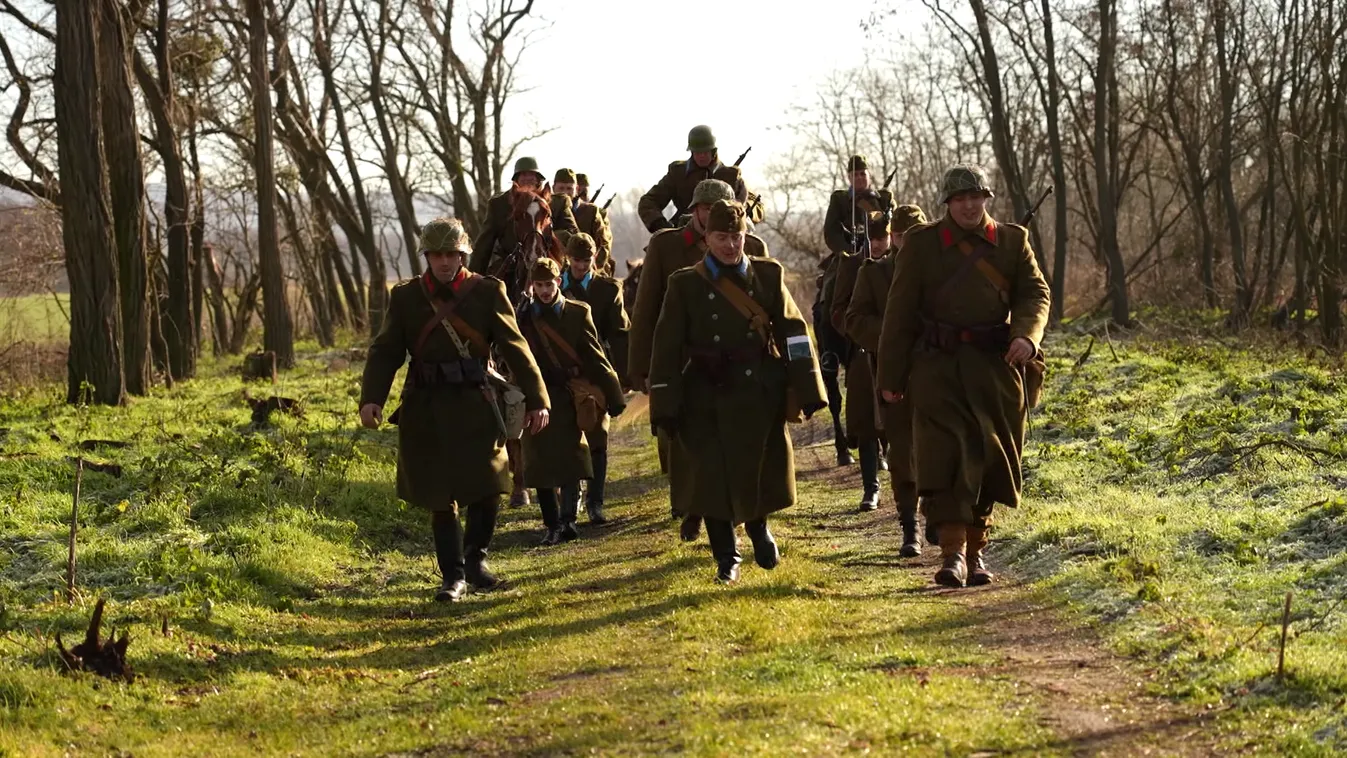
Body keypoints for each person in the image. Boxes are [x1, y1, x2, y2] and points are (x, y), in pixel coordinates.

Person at [875, 165, 1050, 587]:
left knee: (990, 461)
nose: (970, 206)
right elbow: (898, 314)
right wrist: (892, 376)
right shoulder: (921, 244)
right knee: (945, 457)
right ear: (949, 204)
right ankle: (952, 555)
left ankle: (976, 555)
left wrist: (1026, 335)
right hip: (938, 368)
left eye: (977, 198)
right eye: (961, 199)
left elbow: (1035, 293)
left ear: (986, 199)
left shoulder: (1012, 241)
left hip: (995, 369)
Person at [359, 218, 550, 601]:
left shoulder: (487, 291)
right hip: (426, 407)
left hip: (477, 403)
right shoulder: (407, 297)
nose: (444, 262)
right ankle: (453, 575)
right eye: (437, 255)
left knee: (488, 485)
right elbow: (386, 351)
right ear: (426, 256)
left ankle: (475, 560)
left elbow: (516, 347)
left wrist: (537, 398)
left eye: (452, 254)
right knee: (438, 493)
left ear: (462, 255)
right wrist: (372, 397)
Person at [648, 200, 826, 582]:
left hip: (756, 390)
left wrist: (808, 386)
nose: (730, 245)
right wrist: (664, 402)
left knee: (755, 469)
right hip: (704, 394)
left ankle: (759, 529)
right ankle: (726, 558)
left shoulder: (767, 275)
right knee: (710, 476)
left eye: (736, 236)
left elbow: (794, 333)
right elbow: (665, 347)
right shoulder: (684, 283)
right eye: (721, 237)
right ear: (707, 238)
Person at [627, 179, 766, 539]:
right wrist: (642, 366)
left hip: (738, 364)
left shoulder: (749, 245)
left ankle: (727, 514)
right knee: (682, 442)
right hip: (683, 360)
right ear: (695, 211)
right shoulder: (666, 245)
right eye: (706, 209)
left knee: (736, 442)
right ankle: (692, 505)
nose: (712, 216)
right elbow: (646, 309)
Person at [517, 256, 626, 545]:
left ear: (558, 282)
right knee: (538, 460)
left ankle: (568, 520)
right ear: (532, 285)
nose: (544, 291)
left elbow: (595, 354)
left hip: (568, 393)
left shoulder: (578, 313)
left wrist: (613, 395)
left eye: (549, 284)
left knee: (571, 456)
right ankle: (551, 524)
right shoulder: (523, 316)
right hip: (535, 393)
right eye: (538, 285)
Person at [845, 204, 931, 555]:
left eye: (914, 236)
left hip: (938, 371)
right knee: (901, 452)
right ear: (892, 237)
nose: (906, 242)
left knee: (941, 447)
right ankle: (909, 525)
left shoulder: (942, 271)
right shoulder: (875, 274)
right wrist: (892, 335)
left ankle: (940, 518)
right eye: (899, 236)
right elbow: (854, 319)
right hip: (894, 372)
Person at [560, 233, 630, 522]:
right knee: (566, 438)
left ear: (594, 259)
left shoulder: (608, 289)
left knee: (598, 438)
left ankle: (595, 502)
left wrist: (624, 376)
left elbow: (621, 334)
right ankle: (570, 500)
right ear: (568, 258)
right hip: (561, 374)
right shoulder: (551, 285)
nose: (581, 266)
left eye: (586, 260)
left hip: (596, 373)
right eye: (576, 260)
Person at [830, 211, 893, 511]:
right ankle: (871, 487)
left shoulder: (904, 264)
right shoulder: (852, 264)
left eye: (882, 237)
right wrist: (862, 332)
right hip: (863, 351)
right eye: (873, 238)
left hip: (900, 353)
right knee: (865, 421)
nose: (877, 244)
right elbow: (837, 310)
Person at [636, 125, 762, 233]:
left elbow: (757, 205)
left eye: (705, 152)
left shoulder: (730, 176)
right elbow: (648, 202)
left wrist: (741, 210)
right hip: (685, 234)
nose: (701, 156)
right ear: (691, 152)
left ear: (713, 151)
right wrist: (661, 226)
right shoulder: (678, 173)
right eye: (697, 152)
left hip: (722, 236)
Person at [469, 157, 578, 275]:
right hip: (511, 266)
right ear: (516, 178)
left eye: (532, 174)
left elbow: (572, 233)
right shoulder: (499, 204)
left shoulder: (558, 202)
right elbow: (484, 245)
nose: (528, 178)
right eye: (523, 174)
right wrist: (472, 279)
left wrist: (547, 240)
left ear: (538, 178)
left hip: (551, 265)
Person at [552, 168, 614, 276]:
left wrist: (589, 268)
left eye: (569, 188)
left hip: (587, 274)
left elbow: (603, 244)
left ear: (576, 189)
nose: (566, 193)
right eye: (561, 188)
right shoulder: (547, 212)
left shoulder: (591, 211)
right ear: (553, 188)